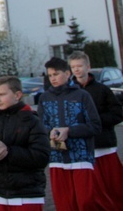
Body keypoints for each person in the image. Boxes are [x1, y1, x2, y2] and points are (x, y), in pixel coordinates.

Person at [36, 57, 113, 211]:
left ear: (67, 73)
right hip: (57, 158)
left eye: (56, 74)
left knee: (86, 202)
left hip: (81, 156)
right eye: (50, 75)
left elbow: (95, 126)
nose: (53, 78)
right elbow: (41, 126)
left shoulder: (82, 95)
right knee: (64, 204)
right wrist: (49, 132)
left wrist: (69, 131)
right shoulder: (44, 98)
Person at [0, 76, 50, 210]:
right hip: (1, 192)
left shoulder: (32, 121)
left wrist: (9, 152)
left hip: (28, 193)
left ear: (17, 95)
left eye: (2, 94)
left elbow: (41, 157)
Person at [68, 51, 123, 203]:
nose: (77, 70)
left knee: (114, 187)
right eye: (73, 67)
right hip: (81, 148)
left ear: (88, 67)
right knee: (93, 192)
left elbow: (117, 113)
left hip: (104, 145)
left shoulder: (102, 90)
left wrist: (95, 121)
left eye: (80, 66)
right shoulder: (69, 92)